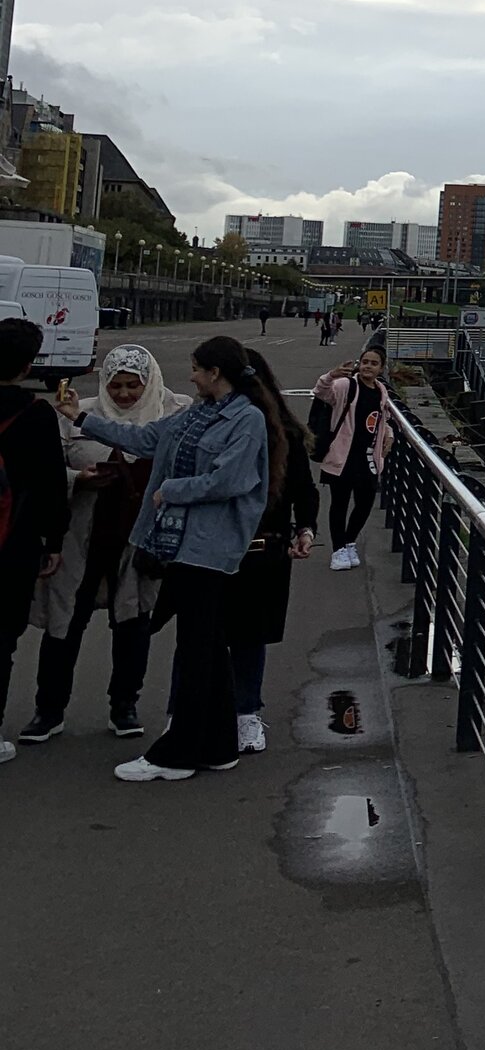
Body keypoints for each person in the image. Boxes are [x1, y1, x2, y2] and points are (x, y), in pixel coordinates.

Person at [57, 335, 276, 782]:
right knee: (209, 646)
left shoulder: (246, 419)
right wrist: (80, 417)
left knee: (197, 650)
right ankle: (218, 746)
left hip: (210, 547)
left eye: (197, 368)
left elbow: (230, 479)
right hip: (185, 544)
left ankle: (178, 754)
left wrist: (170, 491)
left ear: (215, 373)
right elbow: (145, 437)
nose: (191, 376)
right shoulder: (198, 412)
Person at [19, 344, 183, 745]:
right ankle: (49, 710)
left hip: (138, 540)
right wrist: (80, 479)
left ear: (149, 383)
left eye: (133, 385)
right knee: (65, 626)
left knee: (132, 623)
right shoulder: (74, 414)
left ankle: (124, 706)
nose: (124, 394)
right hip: (81, 539)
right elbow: (48, 467)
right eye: (117, 385)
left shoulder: (175, 411)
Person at [225, 348, 315, 754]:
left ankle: (246, 712)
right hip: (214, 545)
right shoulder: (208, 424)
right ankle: (192, 712)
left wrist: (306, 529)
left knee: (249, 633)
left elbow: (303, 490)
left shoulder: (286, 434)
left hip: (264, 546)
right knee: (205, 634)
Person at [0, 317, 73, 766]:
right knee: (2, 639)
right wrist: (55, 541)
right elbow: (51, 485)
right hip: (15, 542)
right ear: (28, 366)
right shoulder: (36, 414)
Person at [313, 348, 393, 569]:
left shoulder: (381, 391)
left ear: (381, 368)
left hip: (368, 456)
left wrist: (389, 435)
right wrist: (331, 375)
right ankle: (338, 550)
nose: (368, 366)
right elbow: (321, 392)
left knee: (365, 502)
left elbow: (382, 419)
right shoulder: (346, 385)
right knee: (339, 503)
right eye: (365, 362)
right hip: (342, 455)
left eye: (374, 363)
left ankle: (349, 541)